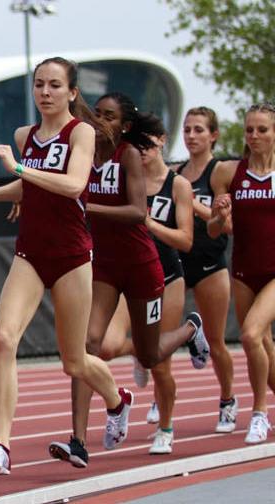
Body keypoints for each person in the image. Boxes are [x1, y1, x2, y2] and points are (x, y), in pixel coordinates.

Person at [0, 57, 129, 476]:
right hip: (30, 254)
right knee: (4, 340)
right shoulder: (26, 135)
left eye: (55, 85)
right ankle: (1, 445)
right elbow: (32, 186)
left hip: (72, 257)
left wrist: (19, 167)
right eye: (39, 84)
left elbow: (73, 184)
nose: (45, 92)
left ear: (72, 92)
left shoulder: (83, 132)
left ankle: (117, 401)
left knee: (74, 362)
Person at [48, 94, 207, 468]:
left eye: (110, 116)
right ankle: (78, 441)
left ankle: (189, 328)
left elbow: (138, 211)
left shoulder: (128, 155)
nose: (100, 121)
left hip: (141, 267)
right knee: (85, 346)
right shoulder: (84, 152)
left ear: (125, 126)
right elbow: (79, 109)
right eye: (97, 114)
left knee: (149, 355)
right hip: (104, 267)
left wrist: (88, 204)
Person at [96, 114, 195, 454]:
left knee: (160, 365)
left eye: (149, 144)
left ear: (162, 141)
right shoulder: (124, 177)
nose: (144, 151)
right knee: (106, 347)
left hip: (166, 279)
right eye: (138, 145)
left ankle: (165, 427)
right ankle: (142, 349)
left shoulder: (177, 185)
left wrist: (148, 223)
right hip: (129, 276)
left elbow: (185, 240)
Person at [208, 102, 275, 445]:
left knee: (249, 336)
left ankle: (260, 414)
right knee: (261, 343)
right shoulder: (228, 173)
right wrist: (219, 215)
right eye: (250, 130)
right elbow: (215, 231)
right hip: (245, 269)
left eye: (262, 129)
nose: (254, 136)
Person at [173, 107, 238, 433]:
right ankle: (162, 400)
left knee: (216, 340)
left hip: (211, 263)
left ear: (213, 135)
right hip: (178, 262)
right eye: (187, 130)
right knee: (158, 334)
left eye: (199, 130)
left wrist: (192, 202)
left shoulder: (219, 171)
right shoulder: (175, 171)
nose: (191, 136)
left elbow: (226, 227)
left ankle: (228, 399)